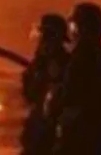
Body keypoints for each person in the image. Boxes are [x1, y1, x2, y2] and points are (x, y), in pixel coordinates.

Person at [51, 2, 101, 155]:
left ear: (80, 28)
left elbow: (68, 95)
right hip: (96, 138)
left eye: (74, 26)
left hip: (82, 140)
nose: (72, 32)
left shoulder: (83, 58)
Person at [20, 13, 71, 155]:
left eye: (44, 37)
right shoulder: (40, 63)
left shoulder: (64, 65)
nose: (41, 42)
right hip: (38, 132)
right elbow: (29, 95)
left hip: (52, 135)